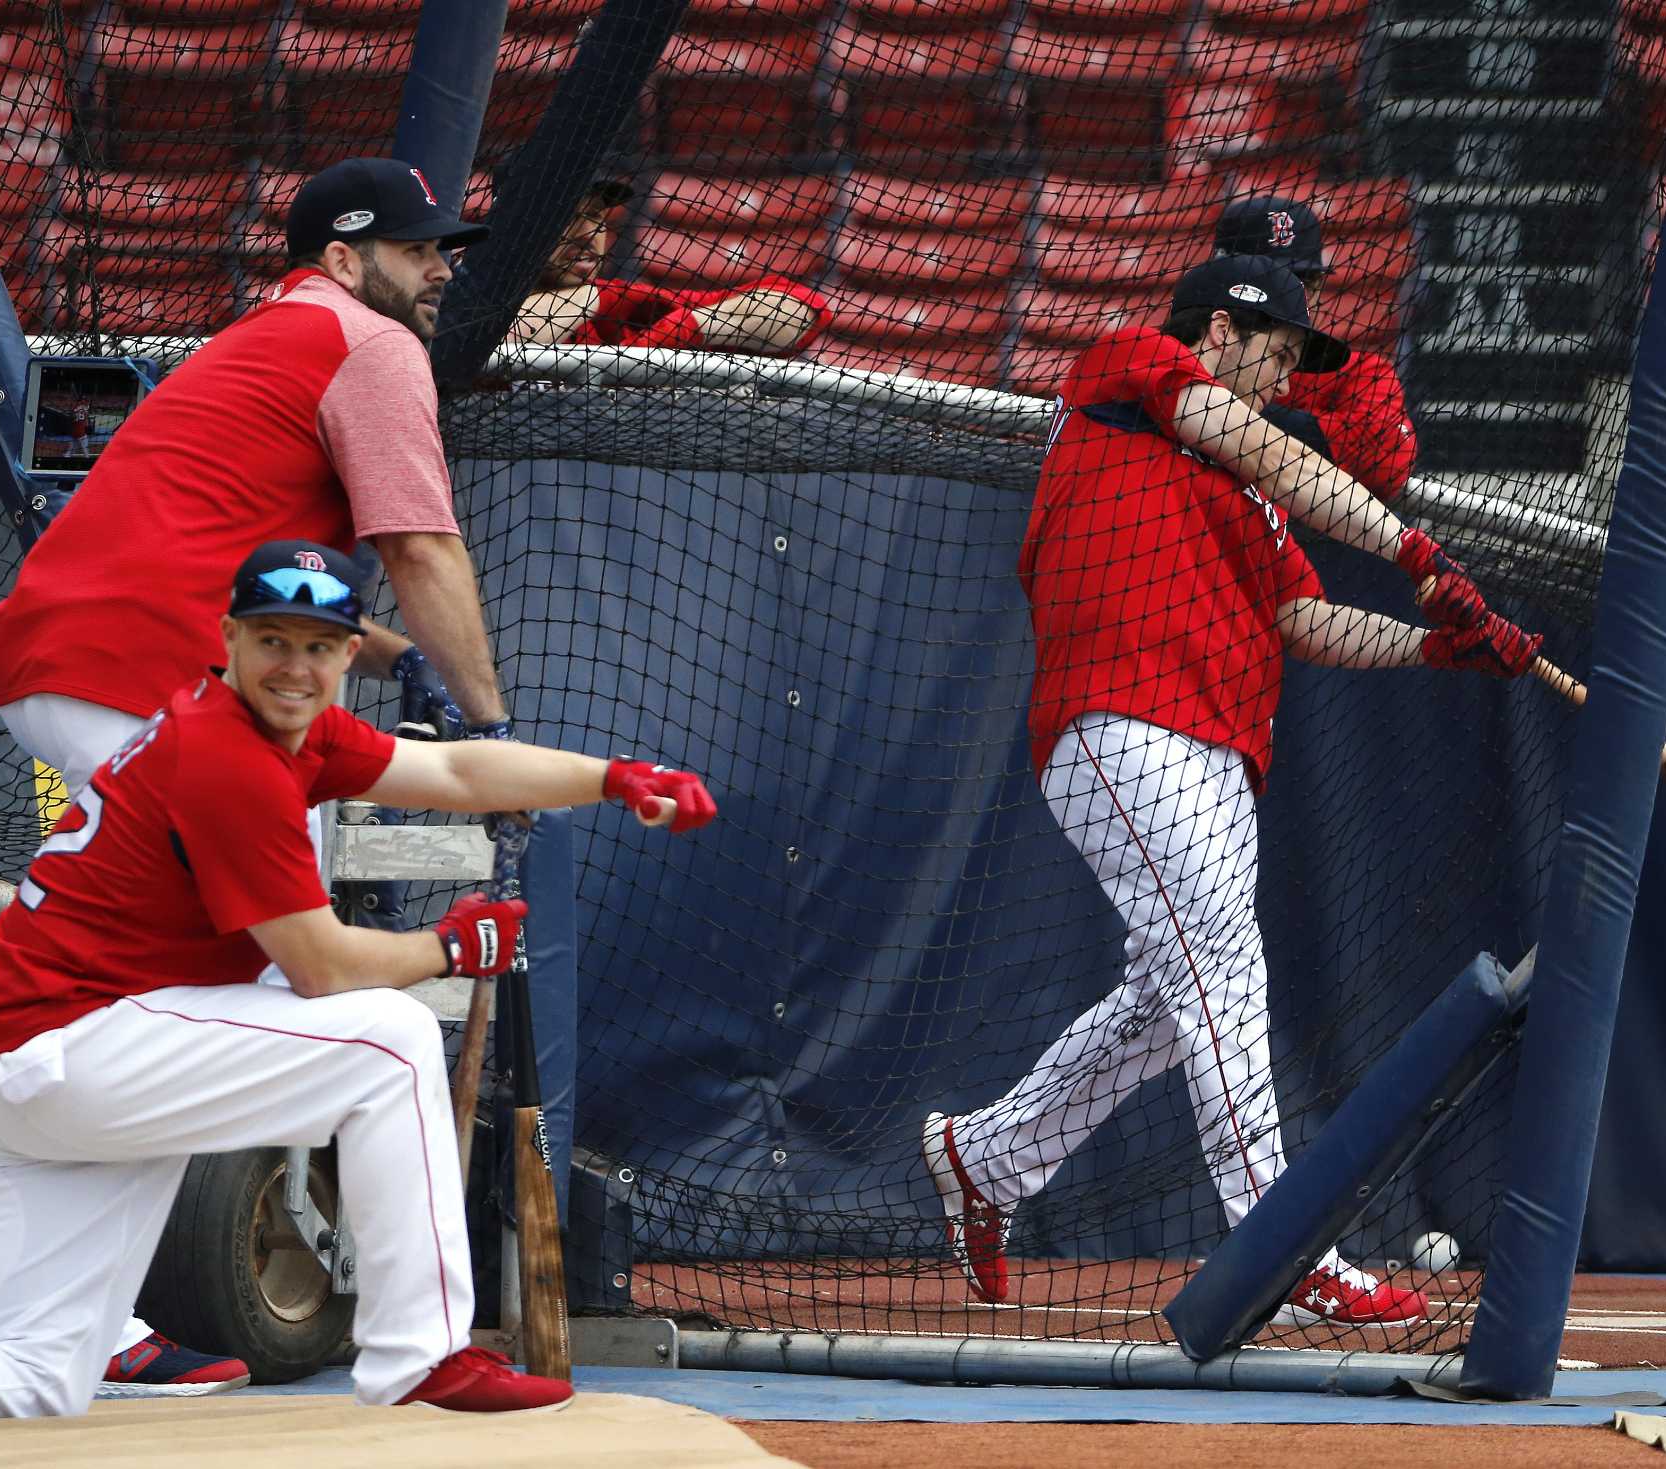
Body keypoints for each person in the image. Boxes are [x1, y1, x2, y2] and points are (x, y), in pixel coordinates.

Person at [0, 540, 718, 1421]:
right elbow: (321, 968)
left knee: (30, 1381)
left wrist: (612, 778)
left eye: (316, 644)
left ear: (350, 654)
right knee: (392, 1039)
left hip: (8, 1082)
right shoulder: (227, 757)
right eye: (273, 640)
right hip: (60, 1049)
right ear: (228, 638)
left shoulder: (289, 728)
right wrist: (451, 947)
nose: (294, 665)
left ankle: (419, 1351)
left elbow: (456, 770)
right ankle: (422, 1355)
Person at [921, 256, 1538, 1329]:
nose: (1288, 380)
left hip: (1214, 748)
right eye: (1281, 352)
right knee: (1222, 969)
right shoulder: (1137, 362)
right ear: (1222, 329)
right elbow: (1261, 443)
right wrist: (1409, 546)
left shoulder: (1243, 489)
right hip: (1119, 718)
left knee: (1171, 1004)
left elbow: (1304, 620)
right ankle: (1282, 1245)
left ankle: (985, 1154)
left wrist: (1435, 647)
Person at [0, 156, 510, 1393]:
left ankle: (89, 1321)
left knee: (195, 981)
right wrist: (489, 718)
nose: (441, 269)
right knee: (242, 989)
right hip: (138, 677)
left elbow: (262, 576)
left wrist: (380, 666)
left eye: (446, 247)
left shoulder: (272, 338)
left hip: (83, 663)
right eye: (420, 247)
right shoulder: (369, 348)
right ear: (338, 258)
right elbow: (421, 547)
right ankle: (408, 1342)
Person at [1213, 197, 1419, 503]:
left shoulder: (1356, 370)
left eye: (1301, 282)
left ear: (1318, 288)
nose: (1288, 297)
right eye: (1268, 280)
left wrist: (1224, 416)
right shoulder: (1171, 351)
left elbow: (1385, 459)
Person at [507, 174, 831, 355]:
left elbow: (803, 308)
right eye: (567, 218)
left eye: (595, 215)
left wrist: (641, 350)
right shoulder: (467, 297)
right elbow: (501, 339)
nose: (589, 234)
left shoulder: (617, 304)